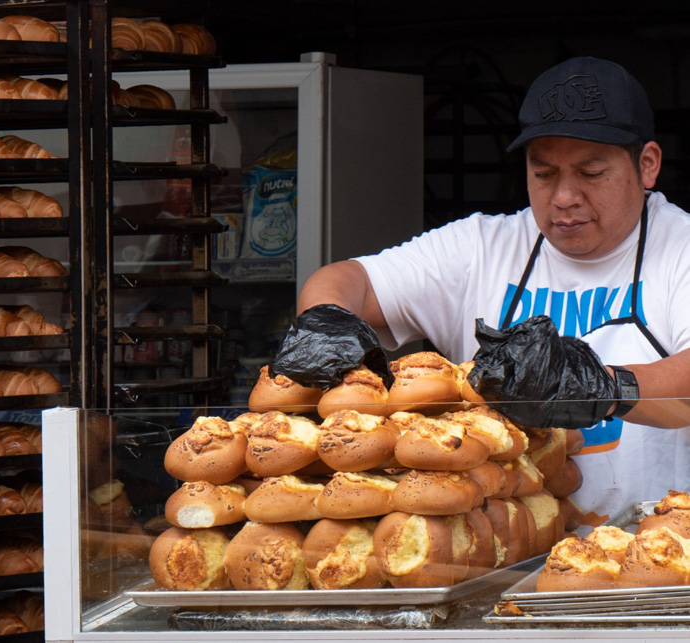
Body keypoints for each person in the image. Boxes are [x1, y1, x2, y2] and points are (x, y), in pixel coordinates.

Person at [289, 56, 690, 518]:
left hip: (654, 544)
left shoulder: (679, 247)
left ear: (647, 165)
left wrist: (601, 386)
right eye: (543, 174)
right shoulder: (481, 247)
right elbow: (346, 279)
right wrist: (327, 322)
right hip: (508, 549)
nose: (563, 197)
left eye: (591, 173)